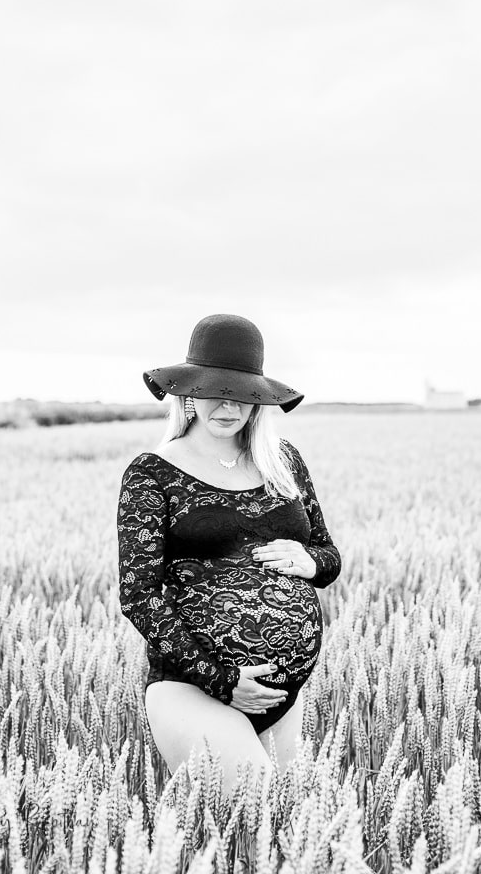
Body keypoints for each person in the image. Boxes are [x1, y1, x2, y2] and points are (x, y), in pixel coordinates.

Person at [117, 313, 342, 799]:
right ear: (188, 393)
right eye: (214, 389)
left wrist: (312, 562)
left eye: (241, 391)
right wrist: (221, 680)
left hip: (283, 693)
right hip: (194, 688)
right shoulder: (153, 473)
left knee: (282, 833)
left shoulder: (283, 461)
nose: (228, 403)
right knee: (259, 811)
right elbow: (139, 594)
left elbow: (327, 553)